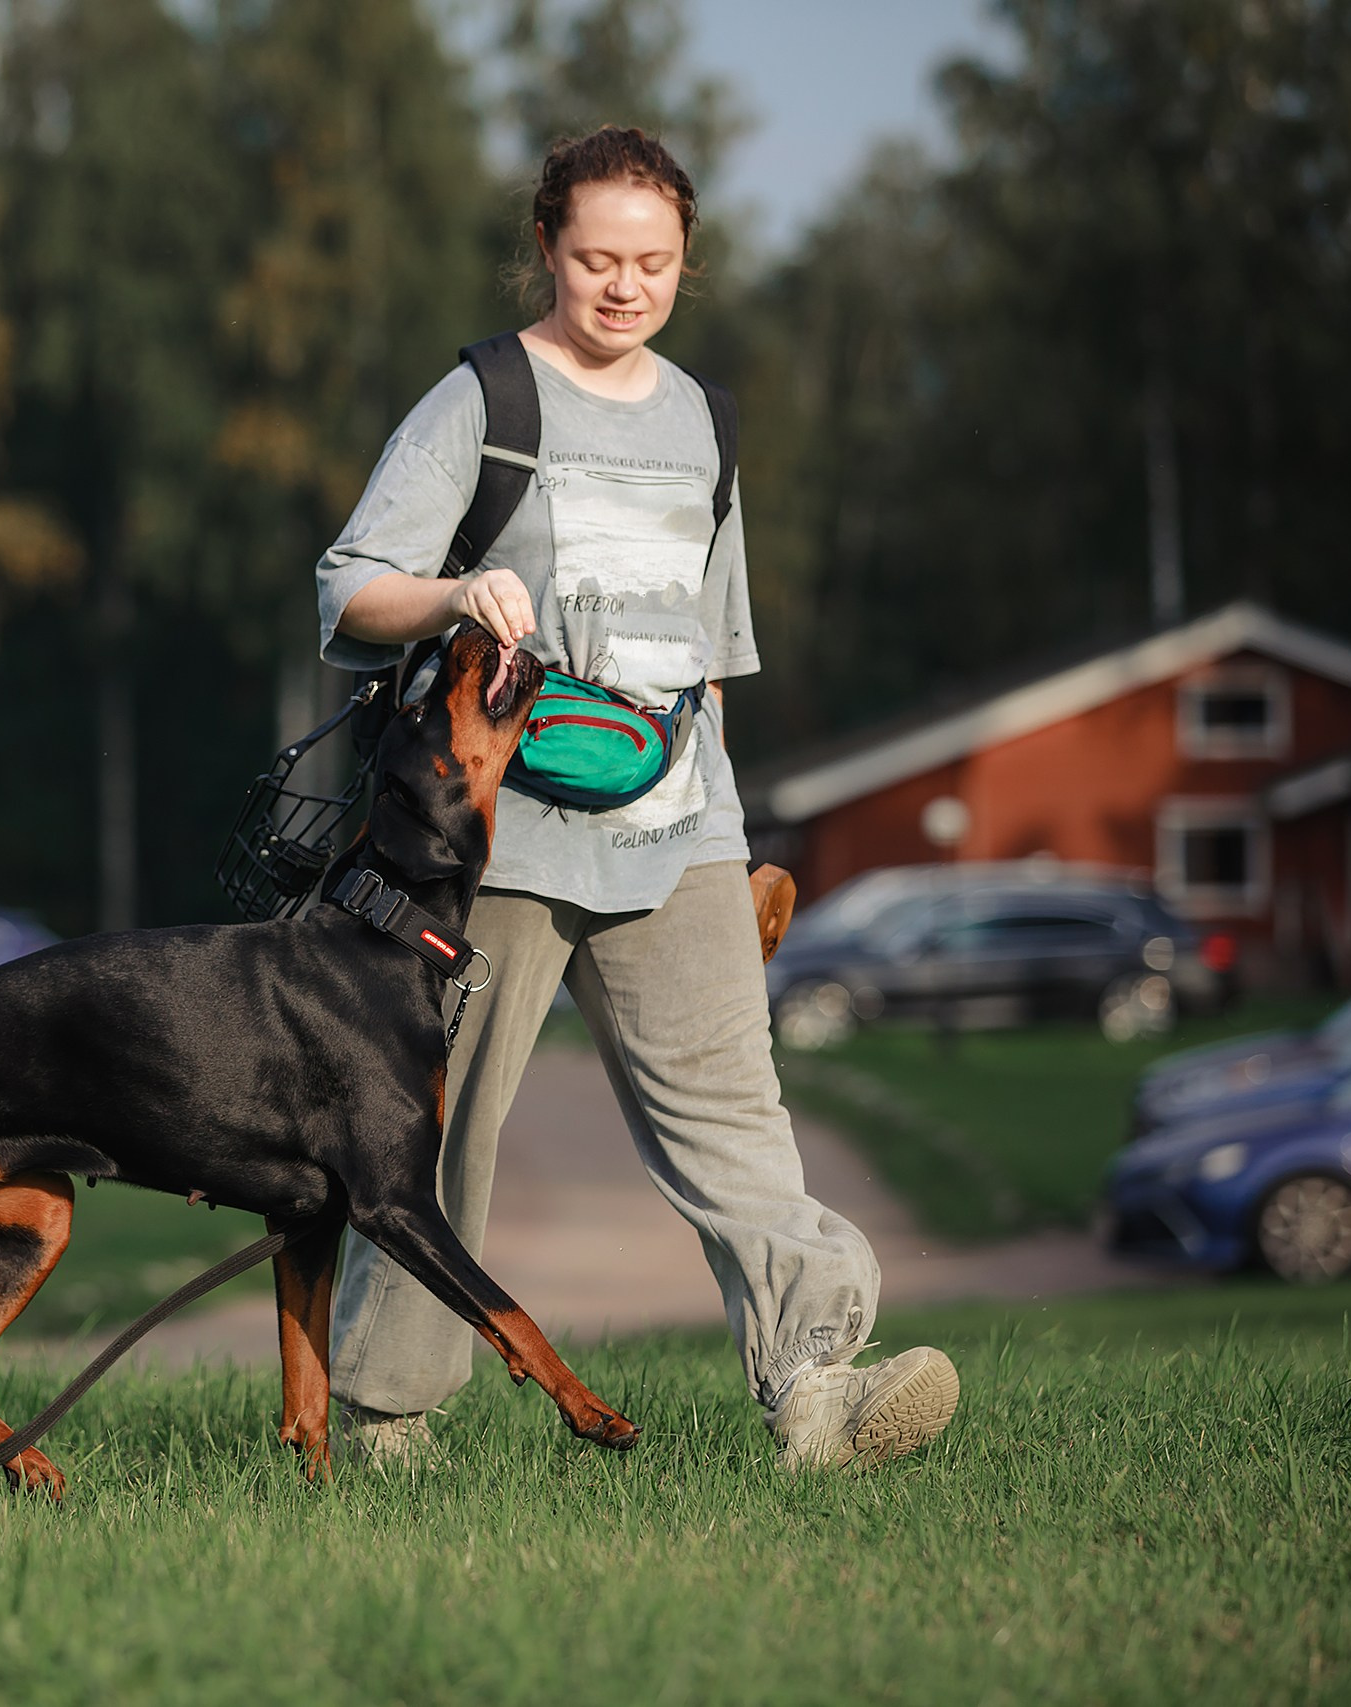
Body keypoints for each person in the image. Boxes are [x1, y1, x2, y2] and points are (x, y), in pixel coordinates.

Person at [313, 126, 958, 1472]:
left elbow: (713, 653)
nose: (623, 286)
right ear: (546, 247)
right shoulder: (485, 398)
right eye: (597, 258)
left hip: (682, 835)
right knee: (446, 1133)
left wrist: (731, 835)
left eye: (652, 263)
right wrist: (451, 595)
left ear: (687, 264)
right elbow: (351, 586)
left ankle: (818, 1393)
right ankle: (385, 1416)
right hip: (497, 843)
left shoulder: (706, 422)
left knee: (735, 1124)